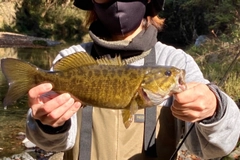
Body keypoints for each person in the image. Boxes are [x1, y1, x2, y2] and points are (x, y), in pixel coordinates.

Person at [26, 0, 240, 159]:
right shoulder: (70, 59)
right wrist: (49, 125)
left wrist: (214, 107)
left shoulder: (176, 61)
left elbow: (217, 147)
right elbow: (48, 144)